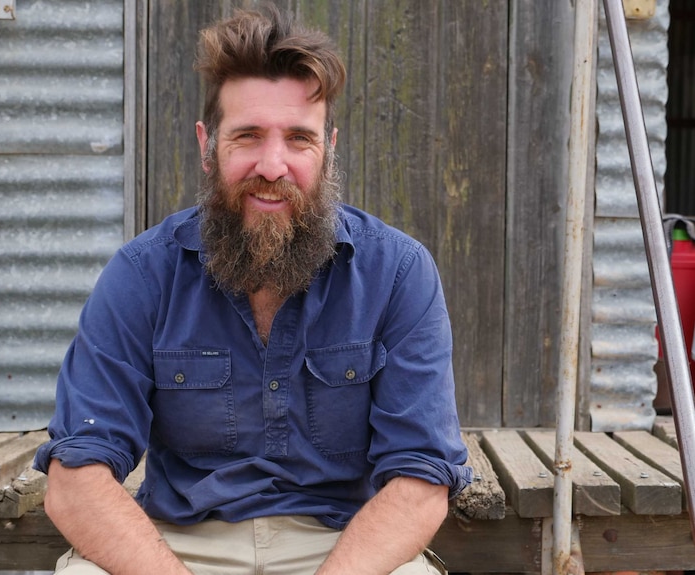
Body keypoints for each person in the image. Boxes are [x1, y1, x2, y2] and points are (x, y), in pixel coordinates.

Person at [34, 5, 471, 575]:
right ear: (208, 145)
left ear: (328, 148)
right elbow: (76, 479)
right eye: (247, 136)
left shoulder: (397, 272)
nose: (273, 165)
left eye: (298, 138)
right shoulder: (142, 274)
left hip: (344, 547)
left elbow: (420, 478)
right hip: (175, 547)